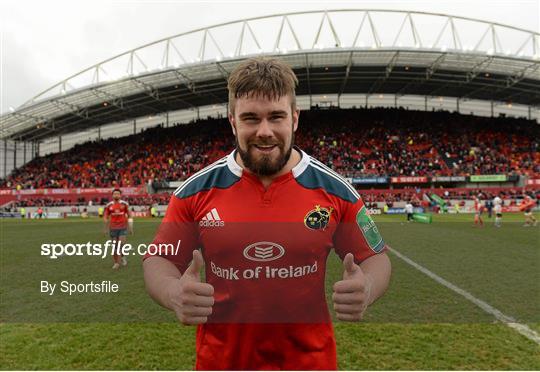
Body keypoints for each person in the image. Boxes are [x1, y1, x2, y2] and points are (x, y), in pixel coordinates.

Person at [143, 57, 392, 370]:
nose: (265, 131)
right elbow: (159, 259)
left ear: (295, 119)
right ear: (232, 121)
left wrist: (367, 286)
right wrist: (172, 291)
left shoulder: (335, 191)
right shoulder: (195, 192)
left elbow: (376, 257)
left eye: (276, 117)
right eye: (250, 118)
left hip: (310, 364)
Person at [104, 188, 133, 269]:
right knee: (114, 246)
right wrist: (106, 228)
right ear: (112, 195)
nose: (116, 195)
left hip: (122, 227)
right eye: (115, 194)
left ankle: (123, 257)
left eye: (118, 194)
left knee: (121, 244)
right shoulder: (109, 205)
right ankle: (116, 263)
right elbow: (106, 216)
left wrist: (130, 227)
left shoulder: (125, 204)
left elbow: (130, 215)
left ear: (120, 195)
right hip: (113, 228)